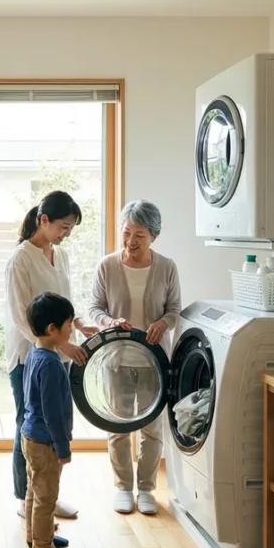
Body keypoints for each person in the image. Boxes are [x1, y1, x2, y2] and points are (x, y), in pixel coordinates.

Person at [4, 190, 99, 521]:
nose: (66, 234)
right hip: (28, 357)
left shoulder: (62, 255)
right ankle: (26, 497)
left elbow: (64, 301)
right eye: (64, 227)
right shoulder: (20, 259)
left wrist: (80, 324)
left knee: (54, 424)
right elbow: (21, 317)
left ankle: (47, 495)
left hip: (57, 356)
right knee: (29, 426)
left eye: (71, 229)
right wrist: (59, 345)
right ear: (44, 220)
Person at [87, 200, 181, 515]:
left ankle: (147, 489)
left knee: (152, 429)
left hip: (155, 361)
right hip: (117, 359)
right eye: (126, 232)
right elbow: (94, 308)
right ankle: (123, 488)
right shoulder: (107, 266)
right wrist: (109, 321)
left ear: (153, 236)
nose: (131, 241)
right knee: (118, 426)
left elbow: (174, 310)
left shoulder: (166, 267)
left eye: (139, 235)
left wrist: (163, 323)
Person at [22, 292, 78, 548]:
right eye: (69, 324)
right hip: (46, 443)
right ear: (52, 329)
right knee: (46, 497)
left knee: (34, 490)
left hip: (30, 436)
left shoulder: (34, 354)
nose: (72, 330)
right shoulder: (52, 364)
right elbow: (52, 414)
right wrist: (63, 448)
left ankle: (35, 536)